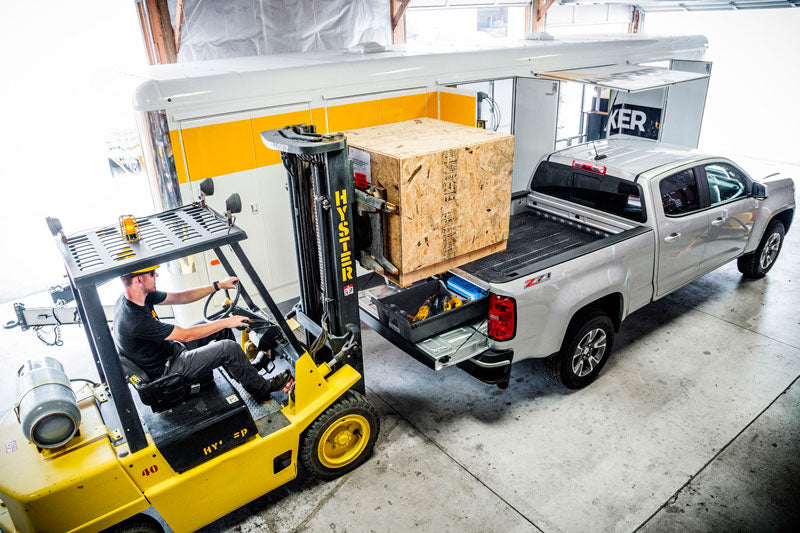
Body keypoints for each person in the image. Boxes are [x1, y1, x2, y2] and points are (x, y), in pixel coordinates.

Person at [112, 265, 291, 402]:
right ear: (138, 280)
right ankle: (262, 389)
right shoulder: (135, 320)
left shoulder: (137, 297)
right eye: (152, 273)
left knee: (220, 327)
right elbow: (186, 335)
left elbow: (181, 297)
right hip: (168, 370)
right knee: (228, 347)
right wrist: (228, 321)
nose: (156, 275)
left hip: (170, 351)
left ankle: (245, 372)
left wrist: (217, 286)